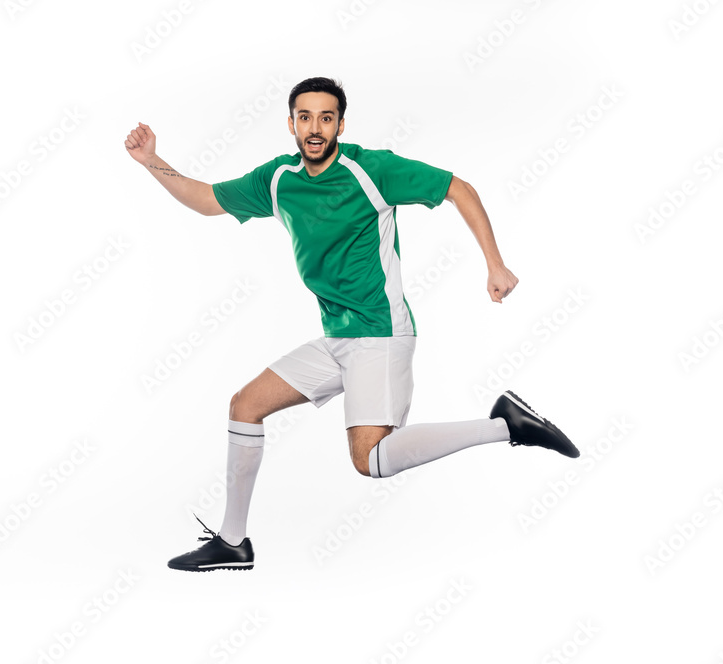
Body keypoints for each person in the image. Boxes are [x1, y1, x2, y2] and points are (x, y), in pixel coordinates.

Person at [124, 77, 578, 572]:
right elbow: (208, 198)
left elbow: (457, 188)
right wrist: (151, 160)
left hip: (380, 334)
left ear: (341, 123)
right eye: (305, 117)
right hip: (338, 337)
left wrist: (494, 263)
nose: (315, 128)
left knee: (371, 460)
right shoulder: (278, 179)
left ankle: (503, 426)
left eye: (325, 118)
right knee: (245, 406)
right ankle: (233, 543)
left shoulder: (370, 168)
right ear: (292, 123)